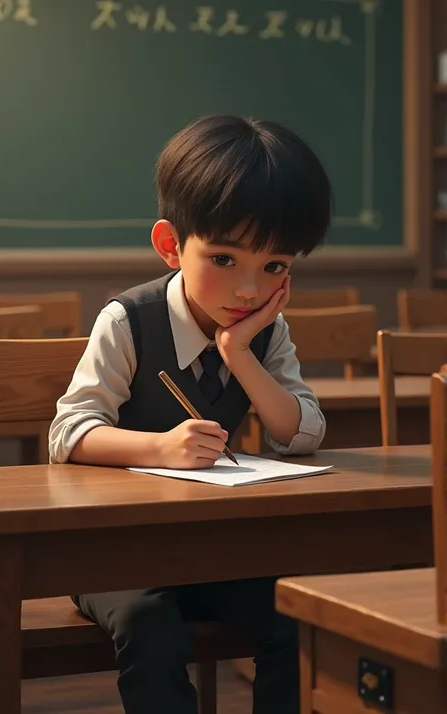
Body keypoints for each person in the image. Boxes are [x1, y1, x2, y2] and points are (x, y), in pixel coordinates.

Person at [49, 114, 332, 714]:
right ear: (171, 245)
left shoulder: (264, 330)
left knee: (297, 615)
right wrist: (156, 448)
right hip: (114, 555)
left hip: (213, 549)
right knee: (151, 625)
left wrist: (239, 354)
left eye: (275, 266)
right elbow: (68, 432)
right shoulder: (127, 320)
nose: (249, 290)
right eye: (225, 260)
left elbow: (301, 433)